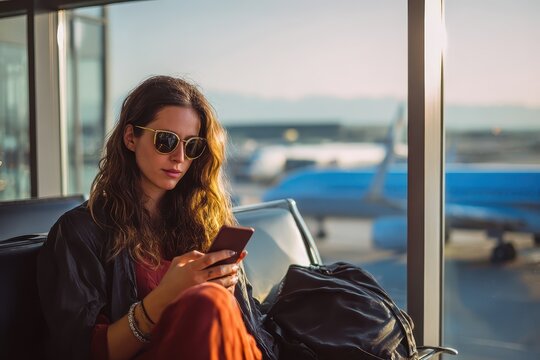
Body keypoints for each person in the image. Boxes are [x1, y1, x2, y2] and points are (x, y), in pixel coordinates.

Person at [37, 75, 273, 360]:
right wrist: (166, 296)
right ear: (130, 138)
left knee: (214, 301)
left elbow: (253, 331)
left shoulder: (204, 221)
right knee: (206, 304)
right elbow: (84, 350)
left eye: (192, 145)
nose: (179, 157)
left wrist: (229, 293)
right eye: (166, 141)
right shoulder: (80, 231)